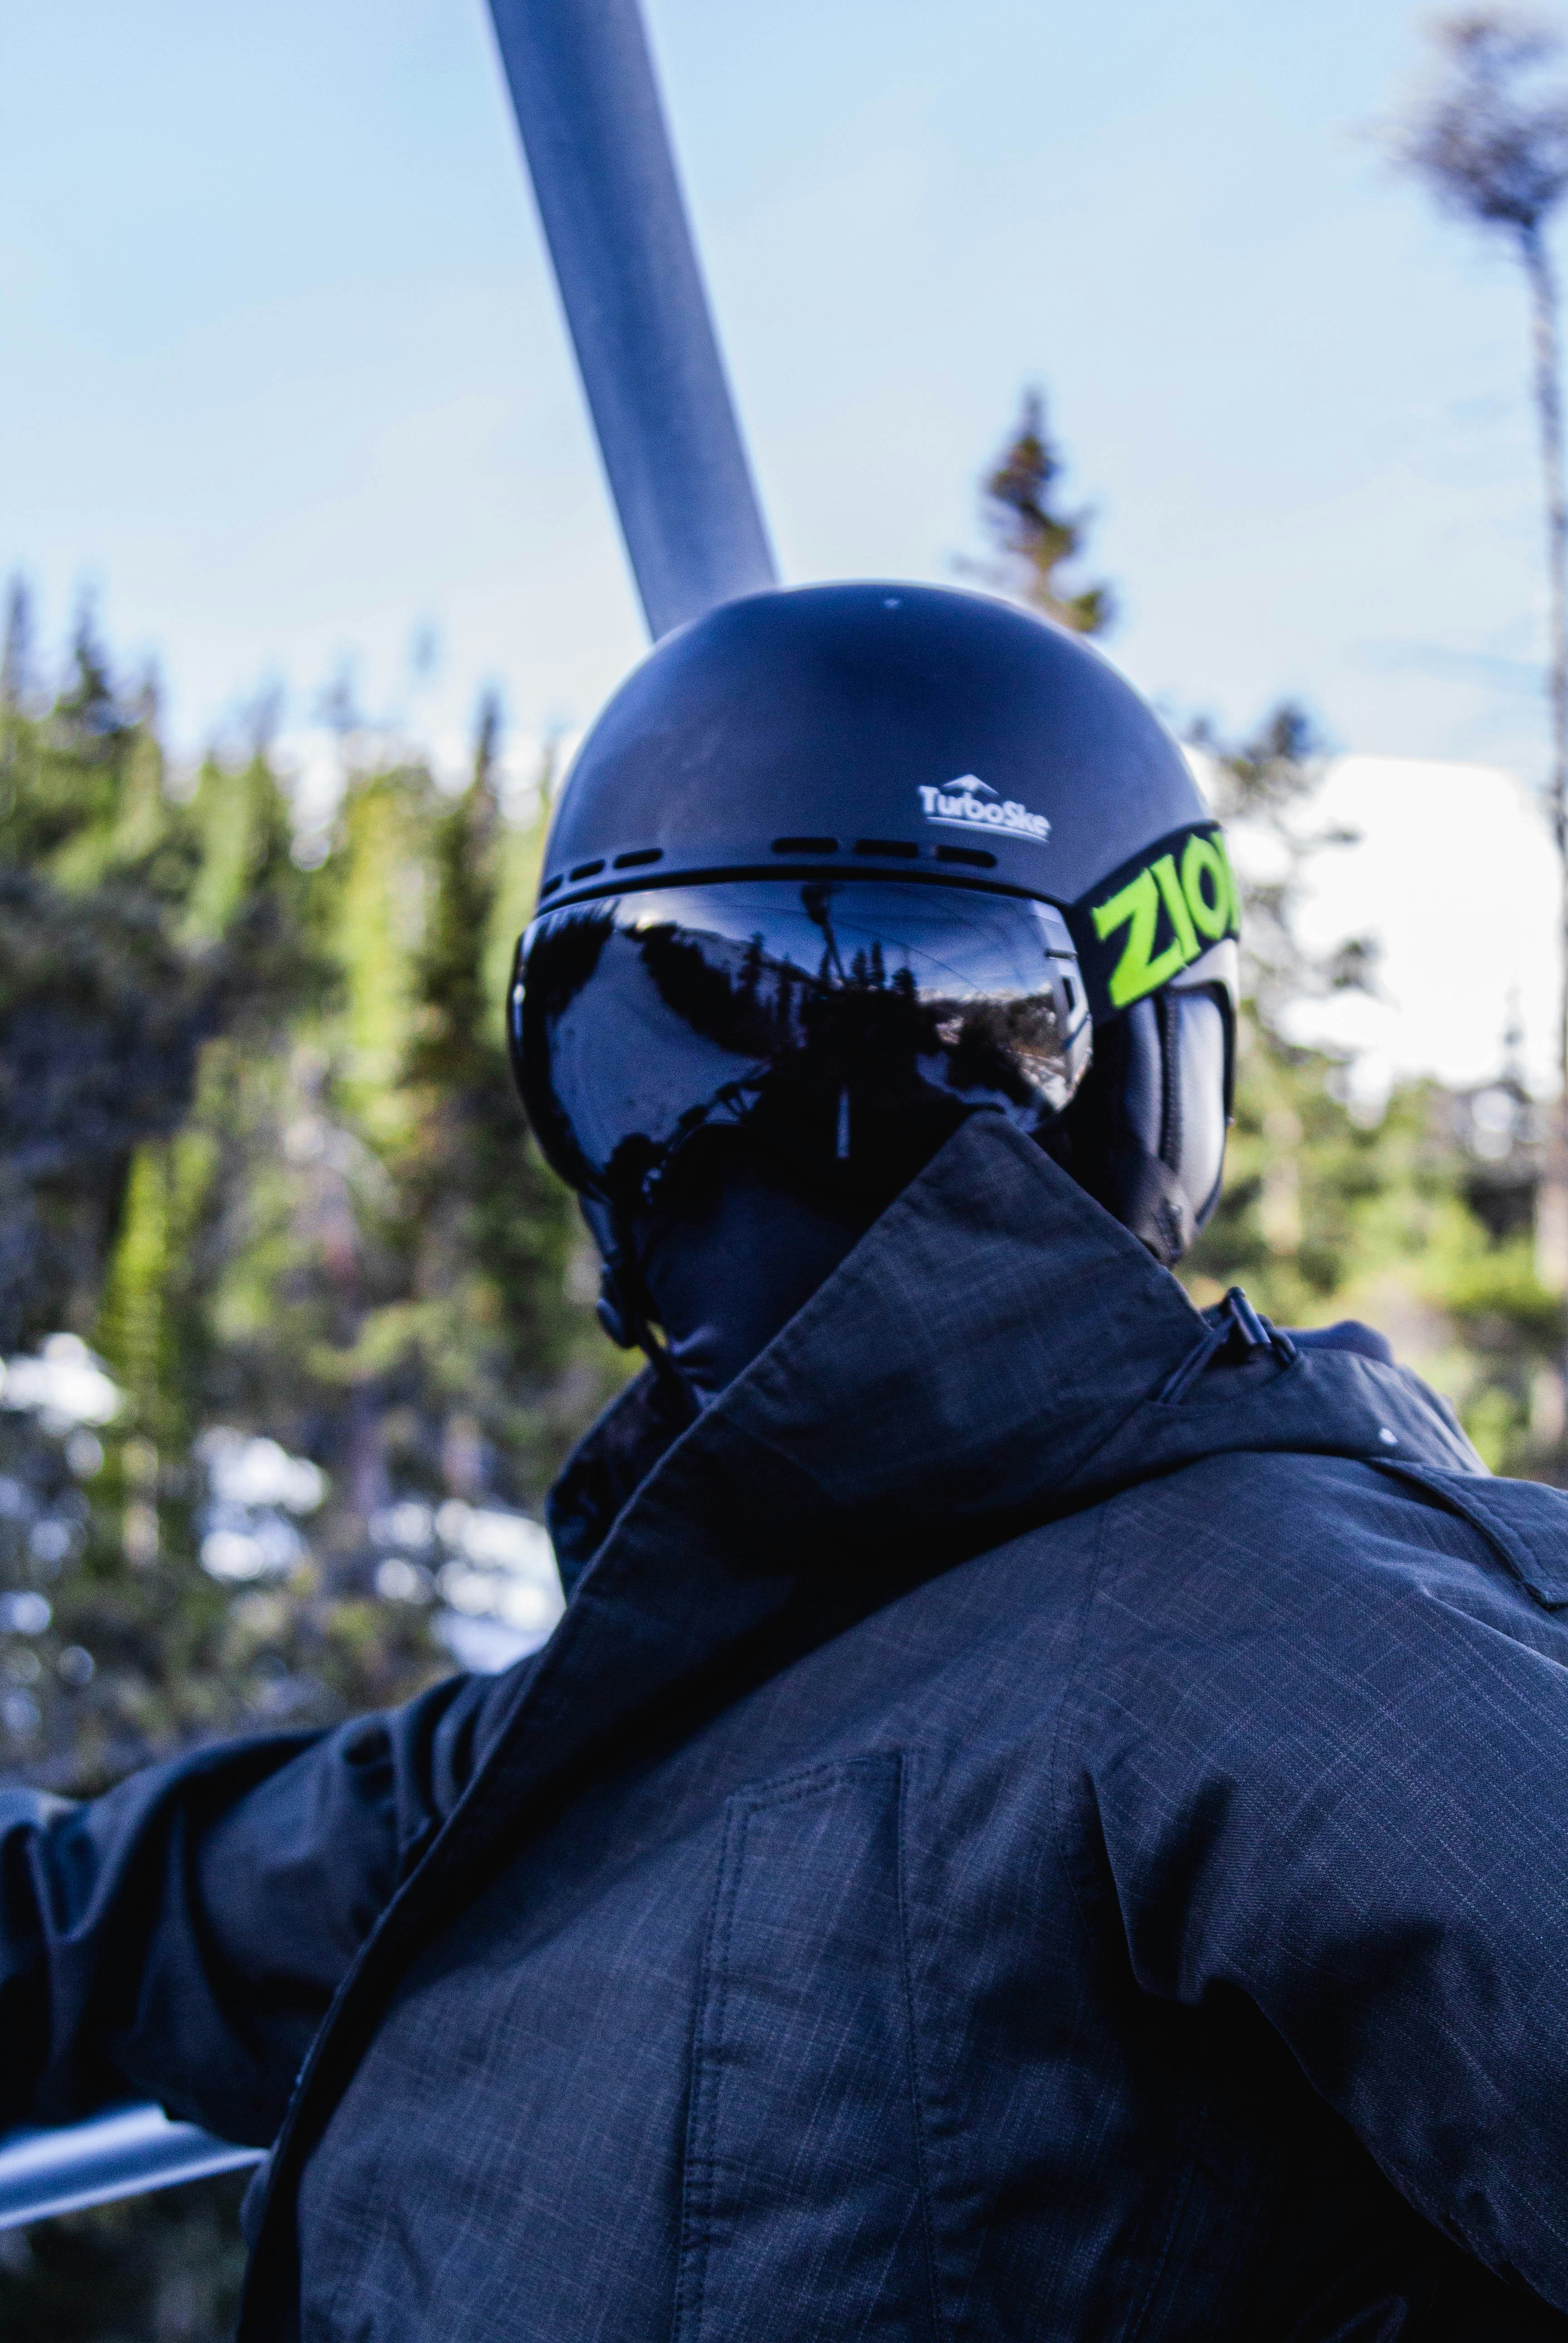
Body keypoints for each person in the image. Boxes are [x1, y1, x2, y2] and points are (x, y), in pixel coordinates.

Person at [4, 583, 1568, 2342]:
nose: (716, 1142)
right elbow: (121, 1920)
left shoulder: (1308, 1642)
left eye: (884, 1033)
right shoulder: (633, 1696)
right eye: (626, 1052)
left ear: (1101, 1073)